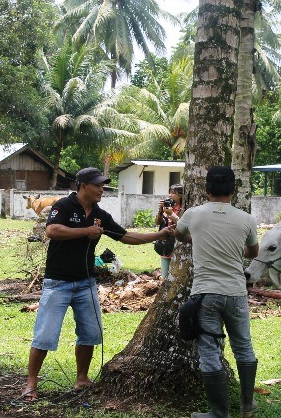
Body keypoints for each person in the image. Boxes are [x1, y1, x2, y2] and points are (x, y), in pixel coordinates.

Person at [21, 167, 174, 401]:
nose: (102, 189)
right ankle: (30, 385)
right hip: (58, 283)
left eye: (103, 184)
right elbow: (52, 231)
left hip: (85, 284)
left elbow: (125, 236)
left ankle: (81, 379)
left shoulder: (100, 213)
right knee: (45, 335)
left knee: (91, 333)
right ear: (83, 186)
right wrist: (86, 231)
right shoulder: (63, 206)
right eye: (98, 185)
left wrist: (159, 235)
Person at [174, 166, 259, 418]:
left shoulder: (193, 214)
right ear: (234, 190)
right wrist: (236, 250)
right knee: (243, 347)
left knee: (209, 352)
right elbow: (253, 252)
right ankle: (247, 405)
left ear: (206, 188)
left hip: (205, 294)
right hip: (235, 293)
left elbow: (179, 235)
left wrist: (195, 240)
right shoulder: (246, 219)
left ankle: (218, 413)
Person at [154, 184, 184, 279]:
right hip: (166, 244)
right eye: (169, 193)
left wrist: (171, 214)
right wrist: (160, 211)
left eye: (173, 193)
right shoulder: (168, 207)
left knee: (177, 273)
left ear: (180, 195)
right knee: (165, 273)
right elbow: (157, 222)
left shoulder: (184, 208)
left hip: (178, 244)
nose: (170, 195)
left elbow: (183, 225)